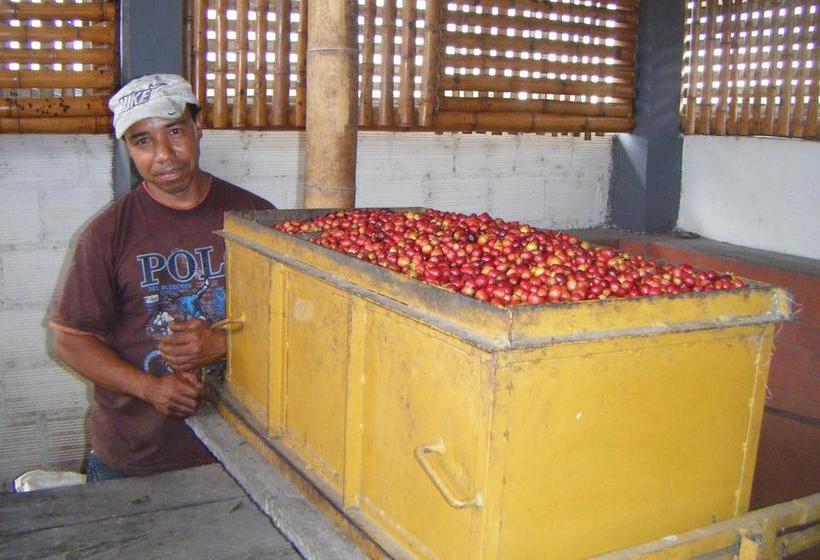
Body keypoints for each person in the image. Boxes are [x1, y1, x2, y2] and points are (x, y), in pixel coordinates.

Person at [50, 74, 275, 481]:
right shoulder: (107, 234)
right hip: (136, 458)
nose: (164, 154)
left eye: (174, 131)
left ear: (198, 127)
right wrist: (149, 388)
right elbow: (70, 339)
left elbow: (296, 322)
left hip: (243, 451)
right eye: (143, 141)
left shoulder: (255, 218)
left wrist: (225, 344)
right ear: (129, 150)